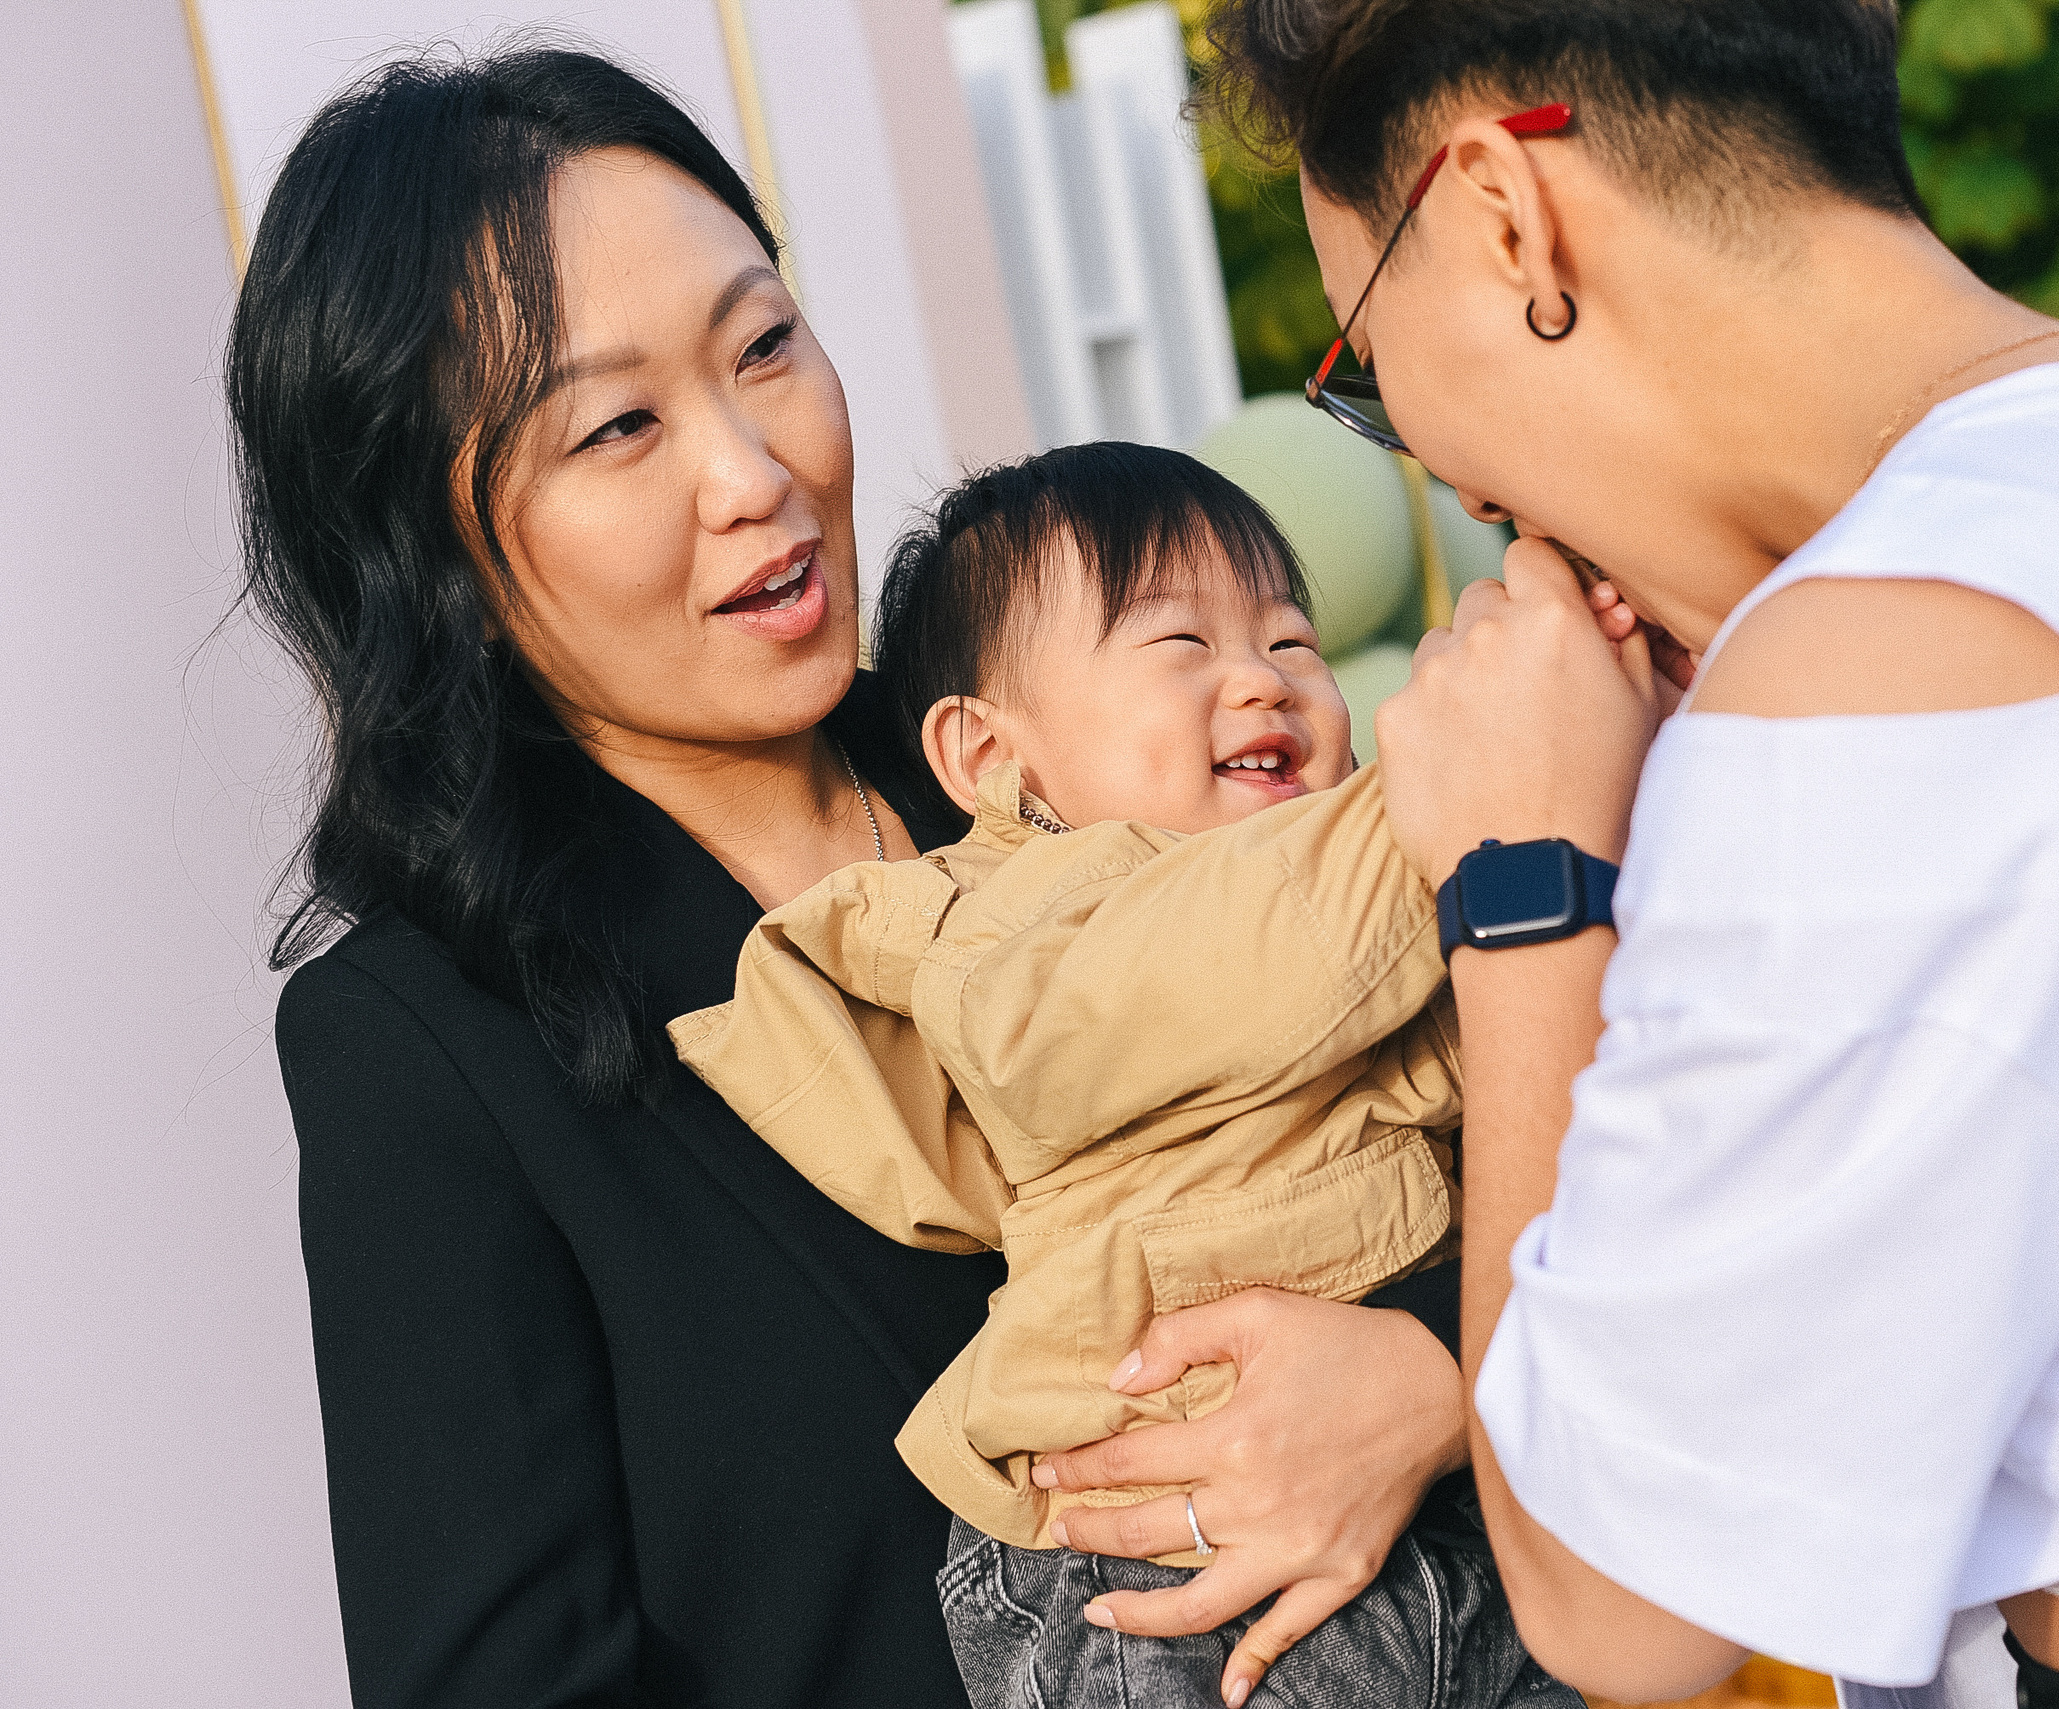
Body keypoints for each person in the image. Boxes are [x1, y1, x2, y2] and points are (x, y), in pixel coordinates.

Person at [1175, 0, 2059, 1705]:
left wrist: (1524, 882)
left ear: (1503, 216)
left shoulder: (1886, 663)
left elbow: (1622, 1603)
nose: (1459, 484)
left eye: (1371, 370)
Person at [242, 49, 1470, 1708]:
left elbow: (1482, 1102)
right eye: (618, 425)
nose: (754, 469)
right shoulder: (425, 1046)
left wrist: (1436, 1374)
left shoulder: (1072, 750)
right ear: (437, 551)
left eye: (765, 344)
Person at [675, 440, 1570, 1709]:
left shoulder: (1373, 914)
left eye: (1292, 641)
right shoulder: (1010, 929)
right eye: (1182, 647)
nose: (1264, 680)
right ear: (994, 762)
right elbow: (1233, 968)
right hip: (1147, 1568)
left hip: (1435, 1531)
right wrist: (1456, 782)